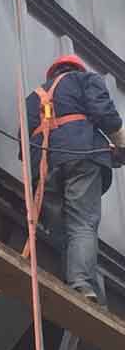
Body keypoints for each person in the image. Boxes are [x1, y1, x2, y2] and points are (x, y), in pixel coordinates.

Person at [25, 53, 125, 303]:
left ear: (53, 73)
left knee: (59, 228)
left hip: (44, 166)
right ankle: (80, 284)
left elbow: (23, 140)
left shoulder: (32, 98)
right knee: (82, 223)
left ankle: (66, 281)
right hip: (81, 159)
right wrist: (121, 142)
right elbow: (104, 113)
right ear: (76, 69)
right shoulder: (86, 80)